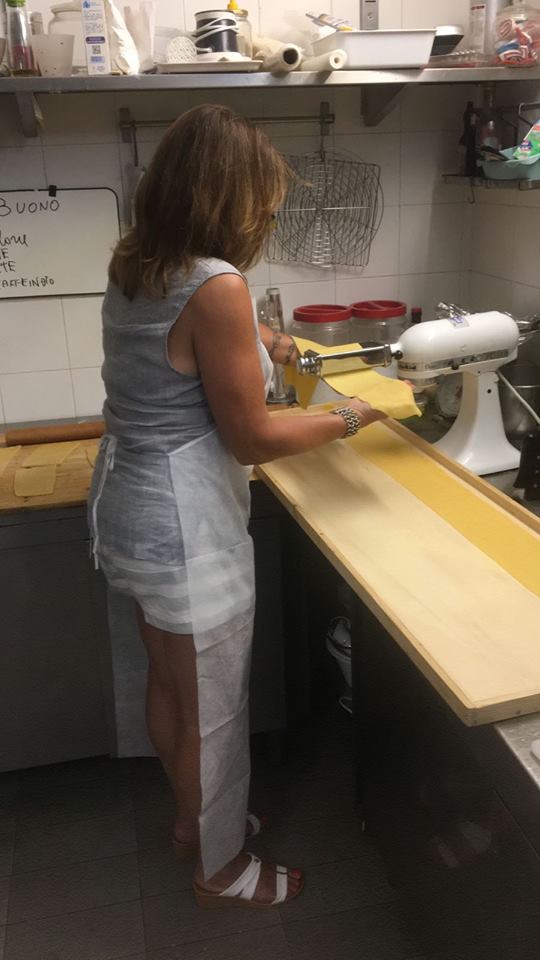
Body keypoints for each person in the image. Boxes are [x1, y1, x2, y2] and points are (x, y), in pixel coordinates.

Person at [88, 103, 386, 909]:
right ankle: (220, 868)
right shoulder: (216, 285)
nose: (269, 210)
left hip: (129, 508)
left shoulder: (138, 260)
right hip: (184, 524)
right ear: (228, 196)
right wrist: (359, 413)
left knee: (169, 684)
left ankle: (193, 819)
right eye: (261, 194)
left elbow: (187, 338)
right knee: (213, 704)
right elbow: (251, 437)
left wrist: (269, 343)